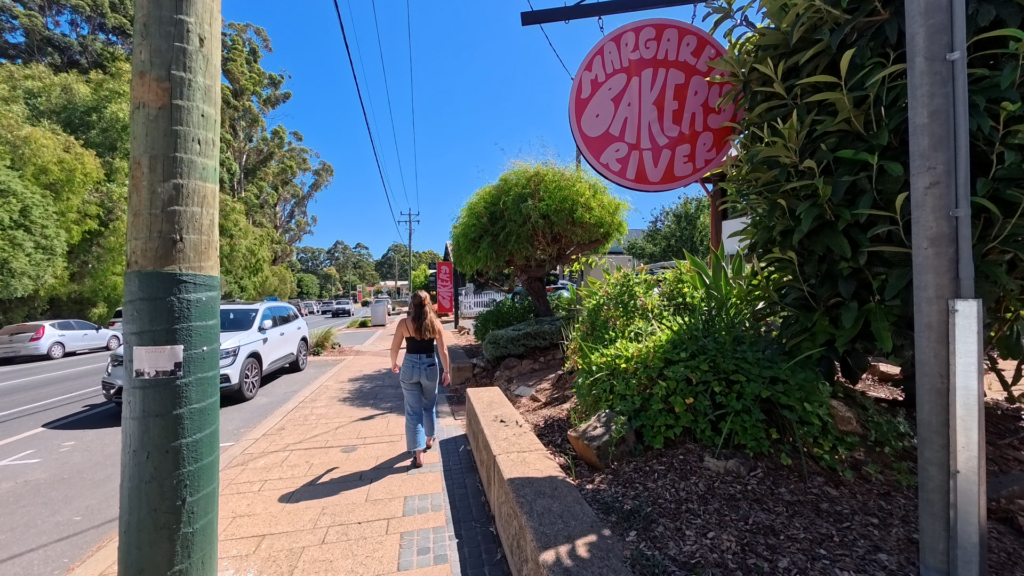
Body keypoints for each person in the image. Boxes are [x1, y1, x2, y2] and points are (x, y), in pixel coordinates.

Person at [390, 290, 451, 468]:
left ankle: (418, 454)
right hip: (430, 366)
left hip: (409, 367)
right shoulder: (435, 323)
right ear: (428, 303)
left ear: (412, 304)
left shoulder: (404, 323)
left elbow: (394, 348)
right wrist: (446, 371)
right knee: (429, 405)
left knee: (413, 411)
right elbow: (443, 350)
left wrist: (394, 363)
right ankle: (429, 438)